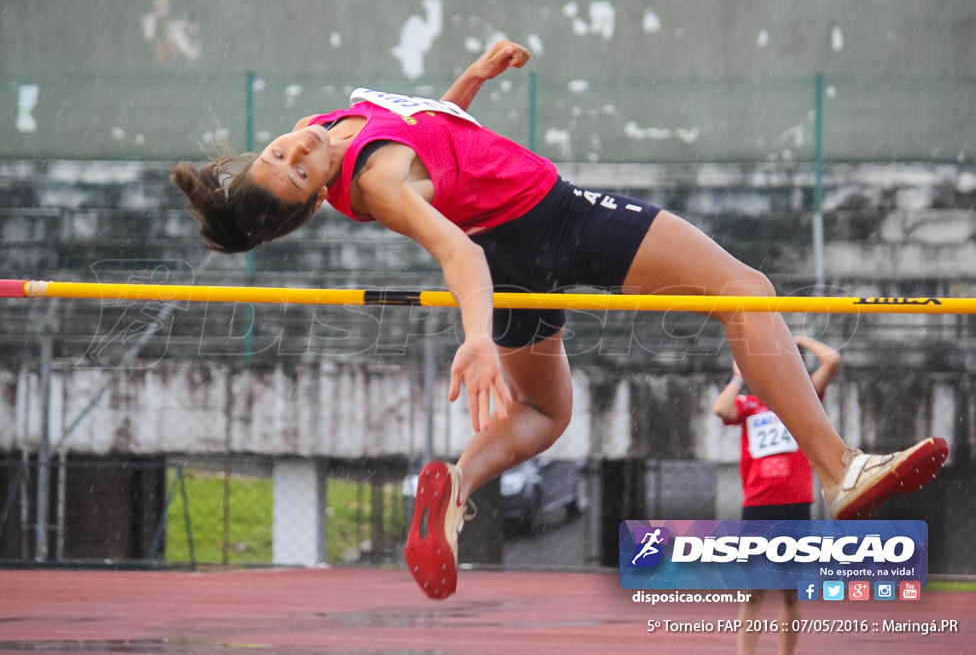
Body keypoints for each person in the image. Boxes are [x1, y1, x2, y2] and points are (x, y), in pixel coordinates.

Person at [171, 39, 949, 600]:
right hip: (549, 218)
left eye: (282, 150)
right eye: (299, 170)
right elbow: (455, 254)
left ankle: (458, 483)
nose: (299, 147)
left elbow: (436, 141)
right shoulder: (376, 178)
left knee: (546, 411)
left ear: (261, 150)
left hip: (510, 246)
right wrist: (476, 338)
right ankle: (840, 466)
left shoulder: (341, 131)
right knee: (743, 287)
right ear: (312, 201)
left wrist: (469, 80)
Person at [713, 335, 841, 655]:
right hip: (758, 503)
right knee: (752, 591)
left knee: (790, 592)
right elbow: (721, 408)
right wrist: (738, 377)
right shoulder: (748, 405)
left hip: (795, 502)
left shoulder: (801, 398)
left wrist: (798, 339)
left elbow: (832, 360)